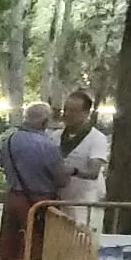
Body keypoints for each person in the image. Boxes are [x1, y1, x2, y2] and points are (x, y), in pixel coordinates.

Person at [0, 102, 63, 260]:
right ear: (45, 120)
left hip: (13, 196)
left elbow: (4, 164)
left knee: (7, 253)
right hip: (36, 201)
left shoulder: (10, 140)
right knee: (27, 255)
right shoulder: (47, 146)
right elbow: (60, 178)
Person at [51, 90, 108, 227]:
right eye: (66, 110)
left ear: (86, 113)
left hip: (82, 201)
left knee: (78, 238)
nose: (68, 114)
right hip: (57, 198)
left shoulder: (96, 138)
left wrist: (74, 171)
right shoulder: (55, 136)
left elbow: (94, 172)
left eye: (74, 111)